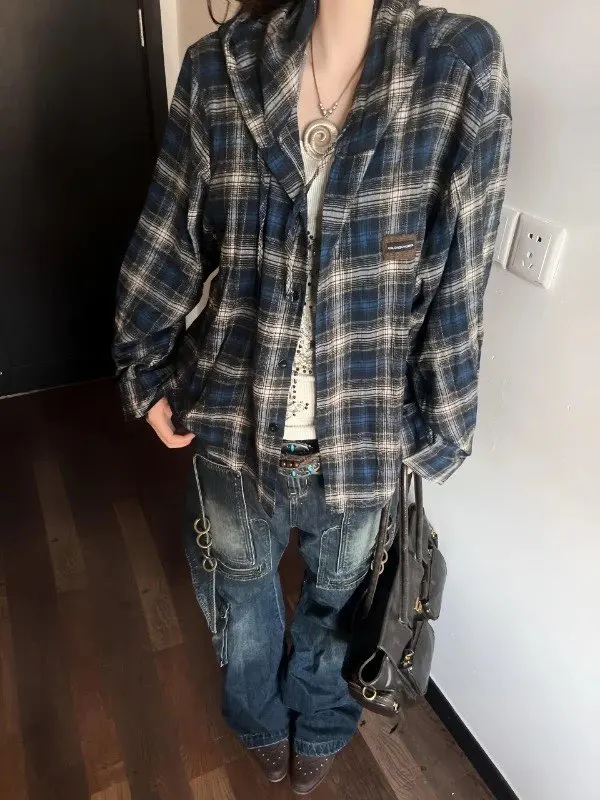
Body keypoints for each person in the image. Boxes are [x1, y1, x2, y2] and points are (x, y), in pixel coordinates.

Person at [112, 0, 512, 793]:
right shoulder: (220, 68)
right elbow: (170, 233)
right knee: (241, 594)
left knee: (338, 604)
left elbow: (462, 271)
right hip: (231, 421)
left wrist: (439, 424)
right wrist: (143, 365)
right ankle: (259, 719)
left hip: (364, 434)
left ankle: (323, 723)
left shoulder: (456, 66)